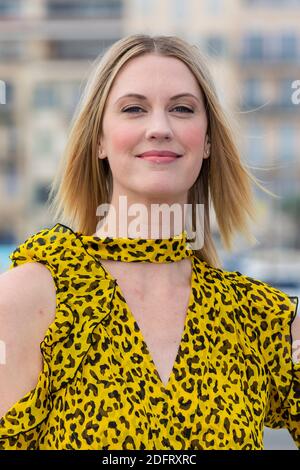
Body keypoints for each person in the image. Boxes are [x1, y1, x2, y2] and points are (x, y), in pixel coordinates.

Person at [0, 34, 299, 451]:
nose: (160, 128)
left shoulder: (259, 319)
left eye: (182, 108)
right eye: (134, 109)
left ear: (208, 141)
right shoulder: (30, 298)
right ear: (99, 140)